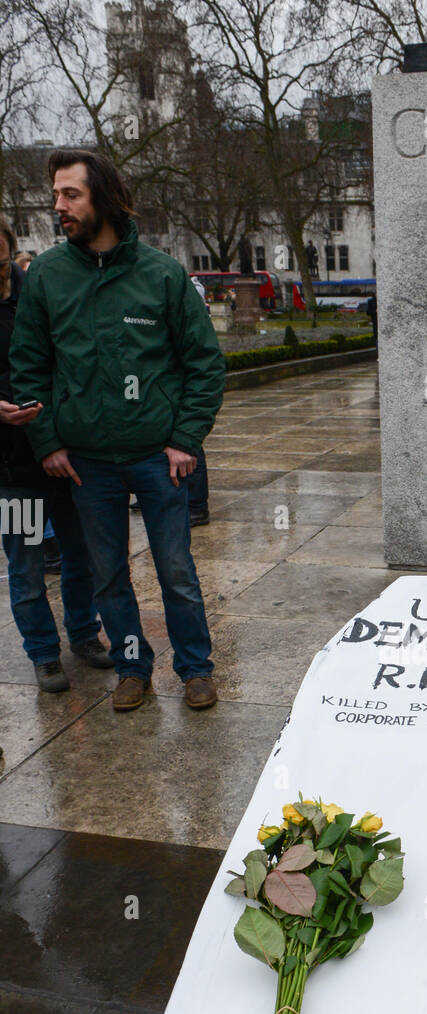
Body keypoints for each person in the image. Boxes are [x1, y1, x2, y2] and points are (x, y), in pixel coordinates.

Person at [11, 149, 225, 712]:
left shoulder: (161, 274)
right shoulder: (48, 277)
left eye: (70, 194)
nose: (58, 206)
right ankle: (133, 667)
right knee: (108, 577)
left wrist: (184, 439)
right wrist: (49, 442)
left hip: (157, 456)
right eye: (56, 194)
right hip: (88, 463)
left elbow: (203, 363)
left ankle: (196, 669)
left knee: (176, 570)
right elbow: (29, 365)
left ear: (103, 196)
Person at [0, 212, 112, 691]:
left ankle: (84, 635)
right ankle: (43, 653)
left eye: (1, 252)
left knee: (79, 554)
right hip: (14, 470)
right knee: (25, 564)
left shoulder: (40, 291)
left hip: (65, 457)